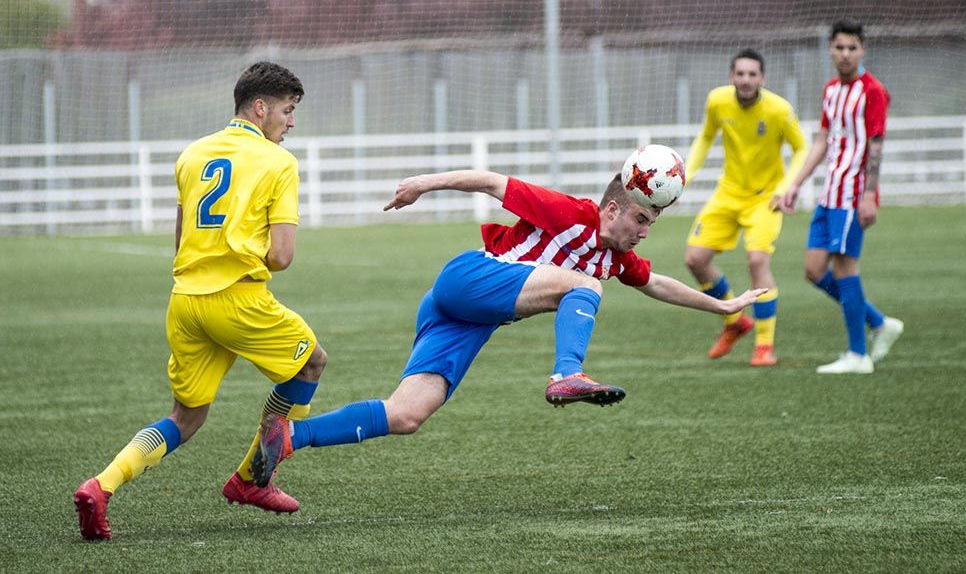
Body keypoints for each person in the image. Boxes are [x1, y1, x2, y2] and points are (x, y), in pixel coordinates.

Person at [243, 169, 768, 496]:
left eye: (652, 223)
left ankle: (286, 438)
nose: (645, 231)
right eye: (641, 219)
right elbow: (493, 182)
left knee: (406, 414)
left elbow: (657, 283)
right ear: (612, 209)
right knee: (583, 285)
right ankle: (566, 375)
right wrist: (423, 184)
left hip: (465, 316)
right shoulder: (571, 214)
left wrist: (721, 305)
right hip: (468, 277)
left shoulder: (616, 258)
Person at [73, 62, 329, 540]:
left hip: (186, 301)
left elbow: (180, 239)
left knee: (186, 417)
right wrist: (244, 254)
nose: (291, 122)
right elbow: (281, 256)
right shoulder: (278, 162)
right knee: (310, 363)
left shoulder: (192, 155)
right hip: (237, 300)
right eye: (287, 111)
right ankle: (253, 478)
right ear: (260, 108)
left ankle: (100, 486)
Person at [780, 20, 904, 374]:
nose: (846, 54)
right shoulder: (831, 89)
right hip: (830, 193)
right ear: (830, 49)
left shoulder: (873, 91)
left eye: (852, 47)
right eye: (839, 47)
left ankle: (858, 355)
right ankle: (879, 322)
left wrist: (869, 195)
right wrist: (796, 183)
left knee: (844, 267)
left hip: (853, 194)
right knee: (813, 269)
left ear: (862, 49)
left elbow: (876, 145)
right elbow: (823, 140)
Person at [683, 49, 808, 367]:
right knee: (695, 259)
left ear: (762, 78)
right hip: (727, 194)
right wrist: (686, 174)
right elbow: (705, 137)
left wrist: (786, 188)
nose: (746, 80)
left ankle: (764, 346)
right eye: (740, 74)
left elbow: (802, 148)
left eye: (752, 74)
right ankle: (735, 321)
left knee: (757, 262)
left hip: (765, 199)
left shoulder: (779, 109)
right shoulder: (717, 101)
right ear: (731, 76)